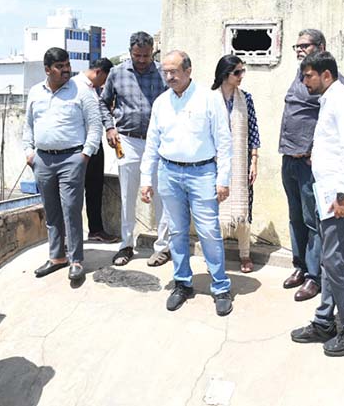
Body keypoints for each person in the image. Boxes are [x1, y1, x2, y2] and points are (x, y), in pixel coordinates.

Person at [289, 51, 344, 356]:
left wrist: (340, 195)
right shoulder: (329, 100)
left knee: (335, 260)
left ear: (326, 74)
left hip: (341, 197)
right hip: (330, 193)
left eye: (308, 76)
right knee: (328, 258)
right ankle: (324, 320)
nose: (304, 82)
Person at [140, 51, 234, 316]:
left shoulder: (209, 99)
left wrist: (222, 179)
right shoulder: (161, 103)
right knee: (177, 232)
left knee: (208, 232)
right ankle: (182, 283)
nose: (169, 77)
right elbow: (152, 144)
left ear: (188, 70)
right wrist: (147, 179)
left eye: (174, 71)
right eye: (166, 72)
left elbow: (224, 142)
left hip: (203, 173)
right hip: (169, 174)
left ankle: (220, 286)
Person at [279, 28, 344, 302]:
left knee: (313, 222)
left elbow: (333, 122)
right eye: (295, 46)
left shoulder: (332, 81)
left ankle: (313, 277)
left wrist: (314, 152)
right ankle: (299, 266)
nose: (298, 50)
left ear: (320, 46)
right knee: (295, 217)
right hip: (289, 159)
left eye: (304, 45)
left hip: (310, 165)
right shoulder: (299, 76)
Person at [23, 47, 101, 284]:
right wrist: (29, 152)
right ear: (47, 69)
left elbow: (95, 126)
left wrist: (84, 156)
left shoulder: (81, 91)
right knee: (52, 211)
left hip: (72, 159)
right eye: (60, 67)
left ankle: (76, 259)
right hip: (43, 160)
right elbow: (28, 126)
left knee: (71, 209)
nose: (66, 70)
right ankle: (57, 257)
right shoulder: (36, 92)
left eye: (67, 65)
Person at [102, 32, 172, 267]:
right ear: (130, 52)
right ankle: (126, 245)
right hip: (128, 141)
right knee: (127, 195)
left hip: (158, 142)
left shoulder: (164, 73)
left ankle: (163, 247)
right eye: (137, 55)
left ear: (153, 52)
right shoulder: (117, 72)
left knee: (162, 194)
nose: (142, 60)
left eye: (146, 55)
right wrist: (110, 128)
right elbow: (103, 102)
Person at [212, 55, 260, 273]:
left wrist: (254, 161)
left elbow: (253, 132)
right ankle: (216, 254)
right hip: (213, 161)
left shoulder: (246, 99)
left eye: (243, 72)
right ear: (225, 74)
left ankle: (244, 254)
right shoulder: (209, 99)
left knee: (242, 206)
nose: (241, 76)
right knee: (215, 207)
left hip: (240, 162)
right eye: (237, 72)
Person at [71, 57, 119, 244]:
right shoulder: (76, 86)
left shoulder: (92, 89)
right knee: (74, 194)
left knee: (95, 190)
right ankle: (71, 236)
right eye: (105, 79)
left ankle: (96, 229)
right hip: (80, 148)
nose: (105, 84)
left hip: (94, 147)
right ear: (99, 72)